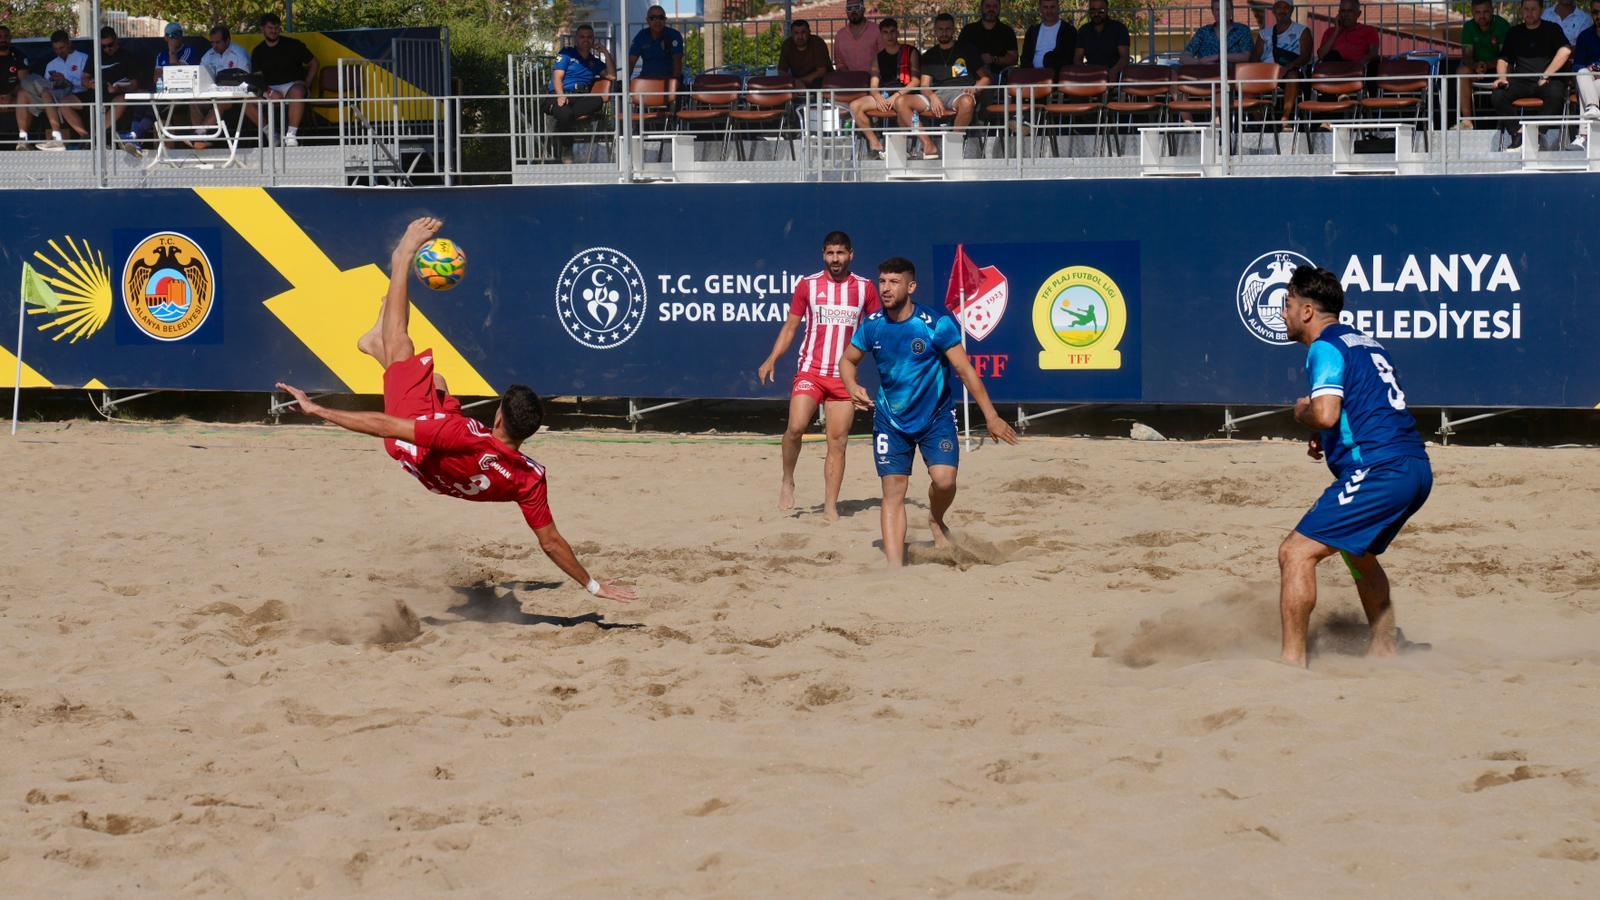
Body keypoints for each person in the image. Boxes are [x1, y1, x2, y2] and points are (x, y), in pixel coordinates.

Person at [275, 217, 636, 604]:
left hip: (417, 447)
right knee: (440, 381)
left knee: (401, 346)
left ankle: (398, 269)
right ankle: (374, 345)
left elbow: (384, 426)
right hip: (446, 465)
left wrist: (319, 409)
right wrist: (593, 585)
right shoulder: (530, 477)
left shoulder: (465, 437)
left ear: (498, 416)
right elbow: (549, 541)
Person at [1276, 265, 1431, 668]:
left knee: (1295, 553)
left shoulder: (1324, 347)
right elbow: (1363, 407)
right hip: (1414, 467)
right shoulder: (1365, 343)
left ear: (1308, 311)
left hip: (1380, 469)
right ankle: (1384, 649)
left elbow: (1326, 413)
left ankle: (1291, 663)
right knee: (1357, 553)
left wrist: (1303, 413)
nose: (1283, 312)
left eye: (1288, 303)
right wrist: (1327, 435)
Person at [839, 257, 1018, 568]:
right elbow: (846, 361)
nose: (886, 288)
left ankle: (936, 519)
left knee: (945, 481)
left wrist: (991, 416)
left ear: (911, 286)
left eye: (894, 282)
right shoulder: (872, 325)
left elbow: (966, 371)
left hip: (935, 417)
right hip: (890, 420)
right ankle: (895, 569)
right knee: (893, 490)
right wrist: (851, 385)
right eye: (882, 281)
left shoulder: (935, 323)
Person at [756, 231, 880, 520]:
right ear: (823, 255)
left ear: (851, 254)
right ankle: (788, 479)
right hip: (811, 370)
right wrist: (772, 358)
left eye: (840, 253)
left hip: (843, 378)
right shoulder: (808, 285)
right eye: (830, 253)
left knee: (837, 441)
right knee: (796, 427)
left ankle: (830, 506)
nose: (835, 259)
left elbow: (878, 330)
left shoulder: (865, 288)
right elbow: (790, 327)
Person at [902, 13, 989, 159]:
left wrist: (975, 88)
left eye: (948, 29)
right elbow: (924, 85)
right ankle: (928, 145)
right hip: (935, 94)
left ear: (953, 30)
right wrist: (932, 96)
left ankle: (952, 146)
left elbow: (986, 78)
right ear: (935, 31)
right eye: (940, 29)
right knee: (901, 101)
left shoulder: (967, 50)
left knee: (967, 102)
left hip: (959, 93)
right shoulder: (929, 55)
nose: (944, 32)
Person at [1492, 0, 1572, 151]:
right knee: (1498, 94)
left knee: (1556, 94)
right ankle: (1517, 133)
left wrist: (1546, 75)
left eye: (1533, 9)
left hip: (1547, 81)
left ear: (1541, 10)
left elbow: (1565, 50)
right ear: (1522, 10)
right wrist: (1502, 77)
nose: (1529, 13)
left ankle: (1535, 134)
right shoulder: (1514, 32)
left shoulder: (1552, 29)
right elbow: (1503, 59)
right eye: (1526, 9)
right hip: (1520, 81)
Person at [849, 17, 920, 158]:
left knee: (901, 105)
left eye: (893, 32)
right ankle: (876, 145)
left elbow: (916, 81)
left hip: (905, 94)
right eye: (886, 32)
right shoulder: (878, 57)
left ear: (898, 33)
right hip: (885, 94)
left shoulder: (910, 51)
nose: (890, 36)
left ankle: (902, 149)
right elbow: (873, 86)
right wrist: (878, 97)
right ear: (881, 35)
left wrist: (897, 96)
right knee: (855, 105)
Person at [549, 24, 615, 163]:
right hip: (560, 95)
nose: (586, 39)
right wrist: (560, 95)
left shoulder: (594, 61)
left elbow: (612, 76)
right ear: (576, 40)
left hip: (580, 98)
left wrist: (605, 53)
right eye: (582, 37)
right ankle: (567, 149)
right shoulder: (567, 53)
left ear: (593, 40)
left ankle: (565, 122)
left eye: (589, 37)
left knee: (598, 101)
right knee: (565, 113)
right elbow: (557, 77)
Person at [252, 13, 319, 147]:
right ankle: (271, 134)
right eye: (270, 28)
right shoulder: (258, 51)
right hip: (269, 88)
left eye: (276, 28)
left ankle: (291, 135)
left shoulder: (293, 44)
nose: (274, 31)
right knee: (246, 100)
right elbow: (257, 78)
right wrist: (269, 92)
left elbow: (314, 63)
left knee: (298, 91)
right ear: (262, 29)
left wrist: (306, 84)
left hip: (292, 86)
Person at [1, 24, 69, 150]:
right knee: (38, 93)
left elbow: (24, 81)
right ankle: (24, 139)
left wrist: (9, 95)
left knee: (25, 93)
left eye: (6, 36)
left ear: (10, 38)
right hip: (48, 96)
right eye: (0, 37)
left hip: (17, 97)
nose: (2, 39)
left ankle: (49, 138)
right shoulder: (52, 64)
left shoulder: (18, 55)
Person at [194, 24, 256, 147]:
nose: (214, 46)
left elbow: (246, 80)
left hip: (234, 97)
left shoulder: (240, 54)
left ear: (228, 40)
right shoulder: (209, 55)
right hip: (211, 94)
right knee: (193, 102)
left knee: (221, 102)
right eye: (212, 43)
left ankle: (198, 134)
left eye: (218, 42)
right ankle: (200, 140)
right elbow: (200, 75)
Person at [95, 27, 152, 155]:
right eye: (103, 47)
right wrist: (92, 84)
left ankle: (100, 136)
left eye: (110, 45)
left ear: (116, 41)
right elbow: (84, 78)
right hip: (97, 94)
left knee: (142, 98)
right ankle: (131, 136)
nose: (107, 49)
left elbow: (135, 84)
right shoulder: (96, 56)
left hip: (121, 94)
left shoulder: (127, 57)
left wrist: (120, 88)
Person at [1254, 0, 1311, 123]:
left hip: (1289, 70)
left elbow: (1306, 56)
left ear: (1291, 10)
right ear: (1273, 10)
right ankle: (1258, 122)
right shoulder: (1264, 33)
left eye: (1285, 7)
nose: (1282, 11)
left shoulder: (1302, 31)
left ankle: (1285, 118)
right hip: (1266, 72)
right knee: (1244, 80)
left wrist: (1287, 67)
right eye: (1278, 7)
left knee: (1292, 76)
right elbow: (1255, 57)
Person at [1457, 0, 1511, 128]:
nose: (1481, 16)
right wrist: (1476, 66)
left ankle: (1507, 120)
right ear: (1472, 13)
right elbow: (1467, 56)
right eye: (1477, 12)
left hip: (1499, 69)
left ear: (1492, 11)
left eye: (1485, 12)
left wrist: (1486, 65)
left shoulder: (1502, 25)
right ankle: (1467, 120)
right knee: (1461, 72)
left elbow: (1505, 55)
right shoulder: (1468, 27)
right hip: (1477, 69)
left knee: (1507, 66)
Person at [958, 0, 1019, 81]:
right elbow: (958, 56)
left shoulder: (1007, 31)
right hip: (971, 76)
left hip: (998, 76)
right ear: (981, 8)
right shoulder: (968, 30)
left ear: (999, 8)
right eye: (988, 6)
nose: (991, 9)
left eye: (995, 6)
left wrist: (995, 59)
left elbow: (1014, 58)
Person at [1181, 1, 1255, 65]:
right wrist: (1199, 62)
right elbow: (1184, 57)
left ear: (1231, 10)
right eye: (1217, 9)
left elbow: (1246, 56)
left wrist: (1218, 57)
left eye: (1225, 9)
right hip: (1206, 76)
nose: (1221, 13)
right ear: (1212, 11)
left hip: (1234, 76)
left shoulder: (1242, 30)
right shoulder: (1203, 32)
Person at [1315, 0, 1381, 69]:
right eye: (1343, 11)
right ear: (1339, 13)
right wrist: (1337, 31)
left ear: (1358, 14)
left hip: (1358, 66)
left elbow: (1373, 52)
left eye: (1350, 11)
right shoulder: (1330, 32)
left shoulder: (1369, 30)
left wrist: (1361, 63)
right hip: (1334, 67)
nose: (1346, 15)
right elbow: (1321, 55)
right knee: (1333, 55)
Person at [1076, 0, 1131, 80]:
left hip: (1114, 75)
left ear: (1107, 10)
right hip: (1091, 76)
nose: (1096, 14)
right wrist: (1084, 73)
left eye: (1100, 11)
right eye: (1092, 10)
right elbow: (1078, 57)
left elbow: (1124, 57)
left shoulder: (1119, 28)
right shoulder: (1083, 30)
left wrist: (1114, 71)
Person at [628, 6, 683, 82]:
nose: (657, 21)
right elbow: (631, 61)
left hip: (668, 82)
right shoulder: (641, 35)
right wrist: (625, 82)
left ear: (665, 20)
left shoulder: (674, 35)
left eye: (661, 17)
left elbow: (677, 61)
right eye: (652, 18)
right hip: (646, 81)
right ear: (647, 20)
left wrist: (675, 83)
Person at [1021, 0, 1075, 73]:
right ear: (1040, 9)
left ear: (1058, 8)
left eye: (1052, 7)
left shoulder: (1068, 31)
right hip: (1032, 77)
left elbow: (1068, 58)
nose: (1049, 11)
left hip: (1057, 78)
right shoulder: (1032, 31)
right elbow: (1025, 57)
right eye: (1045, 7)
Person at [778, 19, 832, 90]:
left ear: (809, 32)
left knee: (818, 83)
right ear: (791, 34)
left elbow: (821, 71)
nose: (800, 36)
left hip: (820, 82)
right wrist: (794, 82)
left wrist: (799, 81)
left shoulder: (817, 43)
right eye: (796, 33)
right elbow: (782, 71)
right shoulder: (787, 45)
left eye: (803, 32)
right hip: (797, 82)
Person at [833, 1, 881, 73]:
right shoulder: (840, 36)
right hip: (849, 81)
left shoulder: (877, 30)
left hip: (875, 80)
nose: (853, 11)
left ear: (863, 9)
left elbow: (884, 57)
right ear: (846, 12)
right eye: (849, 8)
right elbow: (839, 64)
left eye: (856, 7)